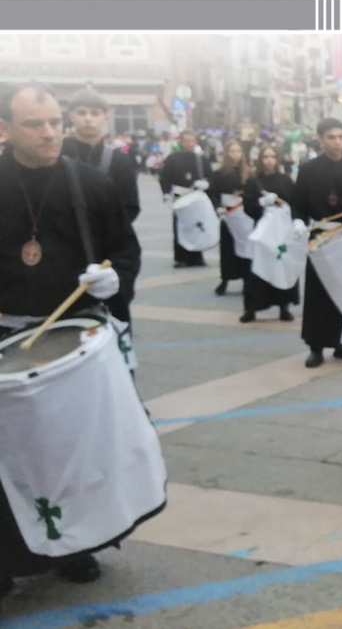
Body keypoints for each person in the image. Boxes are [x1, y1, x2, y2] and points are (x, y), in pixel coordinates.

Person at [0, 82, 141, 592]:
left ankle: (77, 546)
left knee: (73, 451)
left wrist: (115, 279)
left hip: (75, 340)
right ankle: (7, 559)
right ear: (5, 129)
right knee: (9, 457)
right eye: (34, 124)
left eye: (54, 122)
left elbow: (124, 249)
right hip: (5, 335)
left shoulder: (90, 184)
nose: (50, 133)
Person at [293, 118, 342, 368]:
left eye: (341, 137)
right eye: (331, 137)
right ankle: (316, 346)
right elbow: (298, 203)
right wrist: (298, 222)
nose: (337, 142)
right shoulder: (309, 169)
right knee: (318, 293)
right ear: (321, 139)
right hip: (321, 237)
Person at [61, 88, 140, 224]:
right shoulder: (57, 154)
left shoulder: (119, 160)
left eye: (95, 113)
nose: (88, 118)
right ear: (71, 116)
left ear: (106, 118)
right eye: (81, 113)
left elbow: (130, 206)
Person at [240, 146, 299, 324]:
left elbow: (294, 201)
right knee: (257, 266)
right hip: (263, 230)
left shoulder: (285, 180)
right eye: (265, 157)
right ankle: (251, 308)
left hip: (282, 230)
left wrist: (286, 209)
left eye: (272, 156)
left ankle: (284, 306)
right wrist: (261, 204)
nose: (269, 160)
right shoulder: (253, 181)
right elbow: (248, 206)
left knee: (282, 264)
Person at [160, 130, 212, 268]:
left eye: (192, 141)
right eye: (186, 141)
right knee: (180, 226)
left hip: (195, 195)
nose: (189, 144)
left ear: (196, 142)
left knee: (196, 225)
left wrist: (206, 183)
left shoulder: (201, 159)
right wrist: (166, 192)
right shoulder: (173, 158)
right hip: (179, 194)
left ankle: (197, 256)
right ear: (181, 142)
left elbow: (210, 175)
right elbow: (165, 176)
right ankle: (180, 257)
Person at [209, 141, 252, 296]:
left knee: (246, 247)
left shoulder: (248, 173)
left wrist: (243, 195)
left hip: (244, 214)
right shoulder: (219, 173)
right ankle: (225, 279)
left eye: (238, 151)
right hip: (227, 214)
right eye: (232, 151)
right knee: (228, 248)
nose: (235, 154)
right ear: (226, 153)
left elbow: (254, 192)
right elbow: (212, 192)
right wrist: (217, 207)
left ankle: (247, 279)